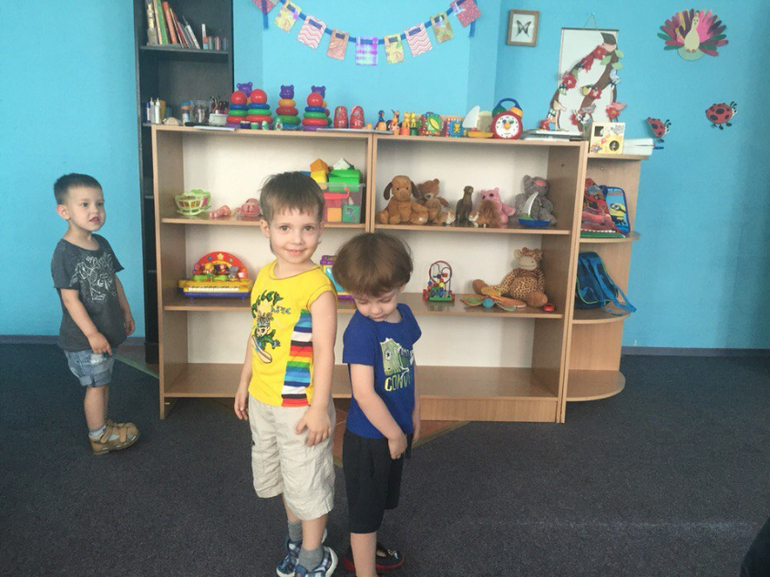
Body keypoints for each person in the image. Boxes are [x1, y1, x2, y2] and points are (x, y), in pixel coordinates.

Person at [233, 172, 338, 577]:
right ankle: (297, 539)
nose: (296, 239)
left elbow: (325, 353)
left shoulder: (318, 289)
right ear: (266, 228)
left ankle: (313, 555)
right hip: (263, 400)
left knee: (307, 481)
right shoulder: (264, 275)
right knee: (282, 476)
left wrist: (319, 408)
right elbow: (256, 334)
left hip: (300, 408)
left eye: (307, 227)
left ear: (321, 228)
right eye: (285, 228)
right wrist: (243, 382)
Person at [331, 232, 422, 577]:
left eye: (383, 299)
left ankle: (363, 553)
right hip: (369, 439)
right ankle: (364, 569)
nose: (374, 309)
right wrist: (394, 434)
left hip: (396, 428)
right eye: (362, 301)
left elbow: (410, 364)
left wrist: (414, 412)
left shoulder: (405, 316)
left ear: (401, 285)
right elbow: (363, 393)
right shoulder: (361, 331)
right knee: (364, 516)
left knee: (378, 503)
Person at [50, 173, 139, 455]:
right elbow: (70, 299)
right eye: (85, 205)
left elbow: (113, 279)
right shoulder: (65, 253)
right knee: (96, 386)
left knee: (102, 382)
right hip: (84, 339)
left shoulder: (101, 243)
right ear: (64, 211)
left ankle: (102, 424)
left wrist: (126, 310)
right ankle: (99, 436)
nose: (95, 211)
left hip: (105, 331)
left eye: (99, 204)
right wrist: (92, 334)